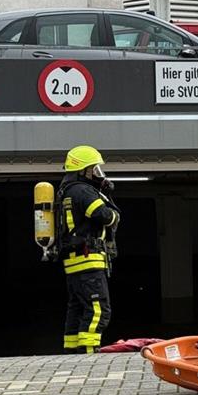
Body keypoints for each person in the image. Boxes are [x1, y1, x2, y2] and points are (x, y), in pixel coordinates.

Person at [57, 145, 120, 354]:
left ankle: (72, 353)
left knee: (76, 309)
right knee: (99, 310)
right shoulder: (83, 191)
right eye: (94, 169)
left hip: (74, 262)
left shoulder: (66, 191)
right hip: (88, 259)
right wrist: (111, 205)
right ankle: (89, 353)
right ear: (83, 170)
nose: (98, 174)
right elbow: (105, 216)